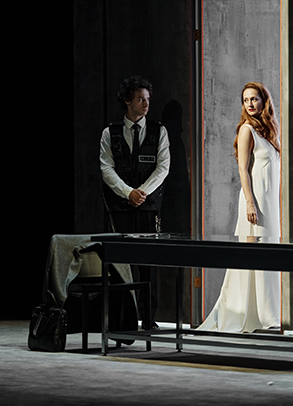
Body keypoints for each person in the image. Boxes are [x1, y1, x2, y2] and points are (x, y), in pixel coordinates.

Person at [197, 82, 282, 332]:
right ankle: (256, 315)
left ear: (264, 101)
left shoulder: (269, 132)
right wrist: (249, 203)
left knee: (269, 257)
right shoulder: (247, 130)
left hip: (270, 205)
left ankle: (268, 314)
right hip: (255, 205)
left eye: (254, 99)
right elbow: (242, 170)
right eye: (246, 100)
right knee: (255, 258)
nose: (250, 104)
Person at [100, 75, 171, 330]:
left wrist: (141, 192)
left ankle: (148, 318)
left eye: (148, 99)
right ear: (128, 101)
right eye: (140, 99)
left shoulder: (159, 131)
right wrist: (127, 192)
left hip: (148, 206)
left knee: (148, 263)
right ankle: (122, 319)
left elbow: (163, 167)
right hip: (120, 207)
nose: (146, 104)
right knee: (121, 265)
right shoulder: (110, 132)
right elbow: (106, 169)